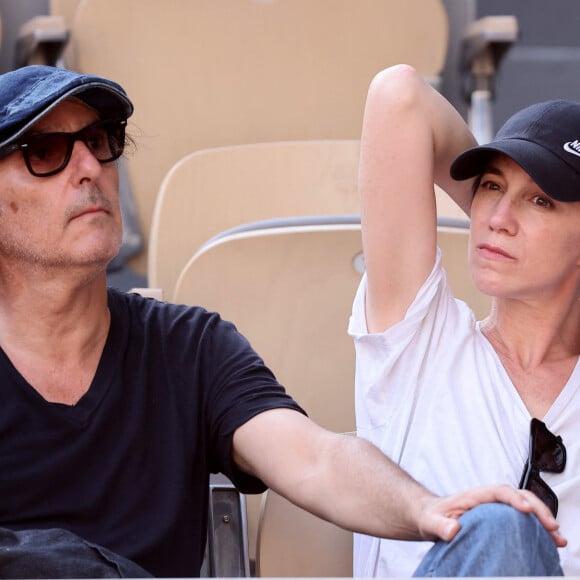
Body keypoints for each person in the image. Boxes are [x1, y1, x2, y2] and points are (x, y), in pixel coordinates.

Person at [0, 65, 560, 579]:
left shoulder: (187, 347)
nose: (89, 168)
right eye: (45, 152)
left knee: (502, 531)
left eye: (98, 142)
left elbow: (314, 458)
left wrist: (424, 508)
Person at [350, 63, 580, 577]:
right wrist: (483, 211)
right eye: (492, 186)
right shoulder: (422, 342)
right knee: (504, 528)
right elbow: (398, 94)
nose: (499, 218)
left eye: (540, 199)